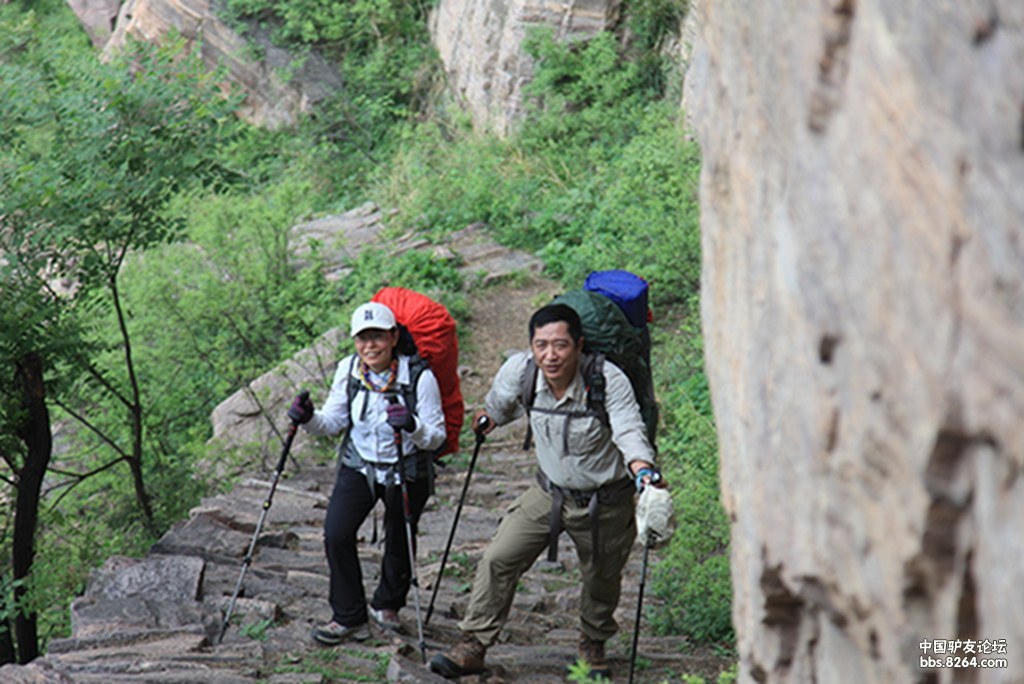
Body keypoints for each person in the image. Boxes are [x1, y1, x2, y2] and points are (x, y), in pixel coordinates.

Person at [430, 303, 666, 680]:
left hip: (606, 499)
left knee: (601, 577)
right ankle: (474, 644)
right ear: (531, 346)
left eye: (560, 345)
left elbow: (629, 432)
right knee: (498, 557)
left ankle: (593, 644)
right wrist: (487, 419)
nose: (550, 355)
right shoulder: (521, 372)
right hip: (548, 493)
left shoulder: (608, 380)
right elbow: (499, 406)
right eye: (541, 345)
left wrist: (644, 471)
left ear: (579, 345)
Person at [287, 301, 446, 644]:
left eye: (377, 337)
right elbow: (333, 422)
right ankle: (349, 616)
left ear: (393, 337)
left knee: (400, 534)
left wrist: (413, 425)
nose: (369, 345)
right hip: (359, 466)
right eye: (362, 338)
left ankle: (387, 604)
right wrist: (308, 418)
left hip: (407, 468)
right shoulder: (349, 371)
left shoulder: (419, 377)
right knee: (336, 534)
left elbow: (437, 436)